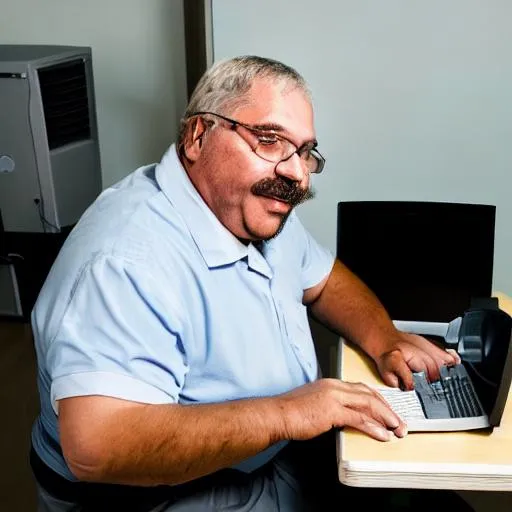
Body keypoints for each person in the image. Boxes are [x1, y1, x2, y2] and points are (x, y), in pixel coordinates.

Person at [29, 55, 463, 511]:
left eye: (304, 151)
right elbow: (97, 448)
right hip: (157, 494)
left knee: (434, 503)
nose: (295, 172)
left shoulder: (248, 208)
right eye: (270, 140)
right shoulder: (125, 261)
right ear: (199, 135)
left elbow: (325, 280)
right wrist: (289, 413)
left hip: (271, 454)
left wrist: (385, 338)